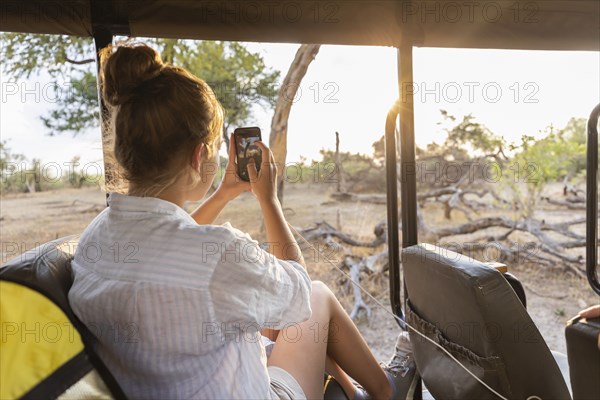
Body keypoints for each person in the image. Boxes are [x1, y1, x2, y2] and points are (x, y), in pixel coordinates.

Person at [67, 42, 417, 400]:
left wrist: (223, 193)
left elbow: (171, 239)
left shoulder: (97, 235)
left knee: (265, 312)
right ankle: (386, 391)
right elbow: (297, 297)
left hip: (164, 381)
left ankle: (354, 394)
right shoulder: (218, 254)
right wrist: (269, 200)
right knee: (317, 294)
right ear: (199, 155)